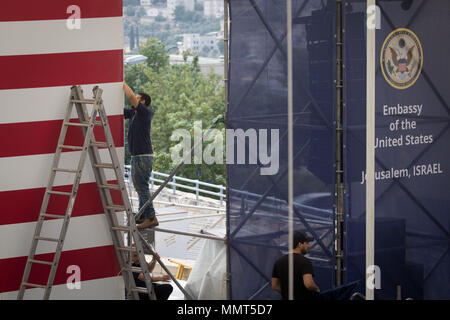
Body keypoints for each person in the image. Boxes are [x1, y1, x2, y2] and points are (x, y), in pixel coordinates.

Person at [123, 82, 158, 229]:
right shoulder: (134, 114)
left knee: (141, 186)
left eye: (138, 98)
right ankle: (143, 214)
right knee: (140, 187)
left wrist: (121, 81)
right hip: (139, 156)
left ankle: (151, 217)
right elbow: (119, 111)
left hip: (142, 156)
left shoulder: (144, 113)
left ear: (143, 102)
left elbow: (130, 95)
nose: (134, 100)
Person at [271, 231, 320, 300]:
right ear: (299, 244)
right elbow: (309, 284)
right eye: (307, 243)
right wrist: (317, 289)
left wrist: (288, 292)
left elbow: (274, 285)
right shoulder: (305, 262)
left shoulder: (279, 262)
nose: (308, 246)